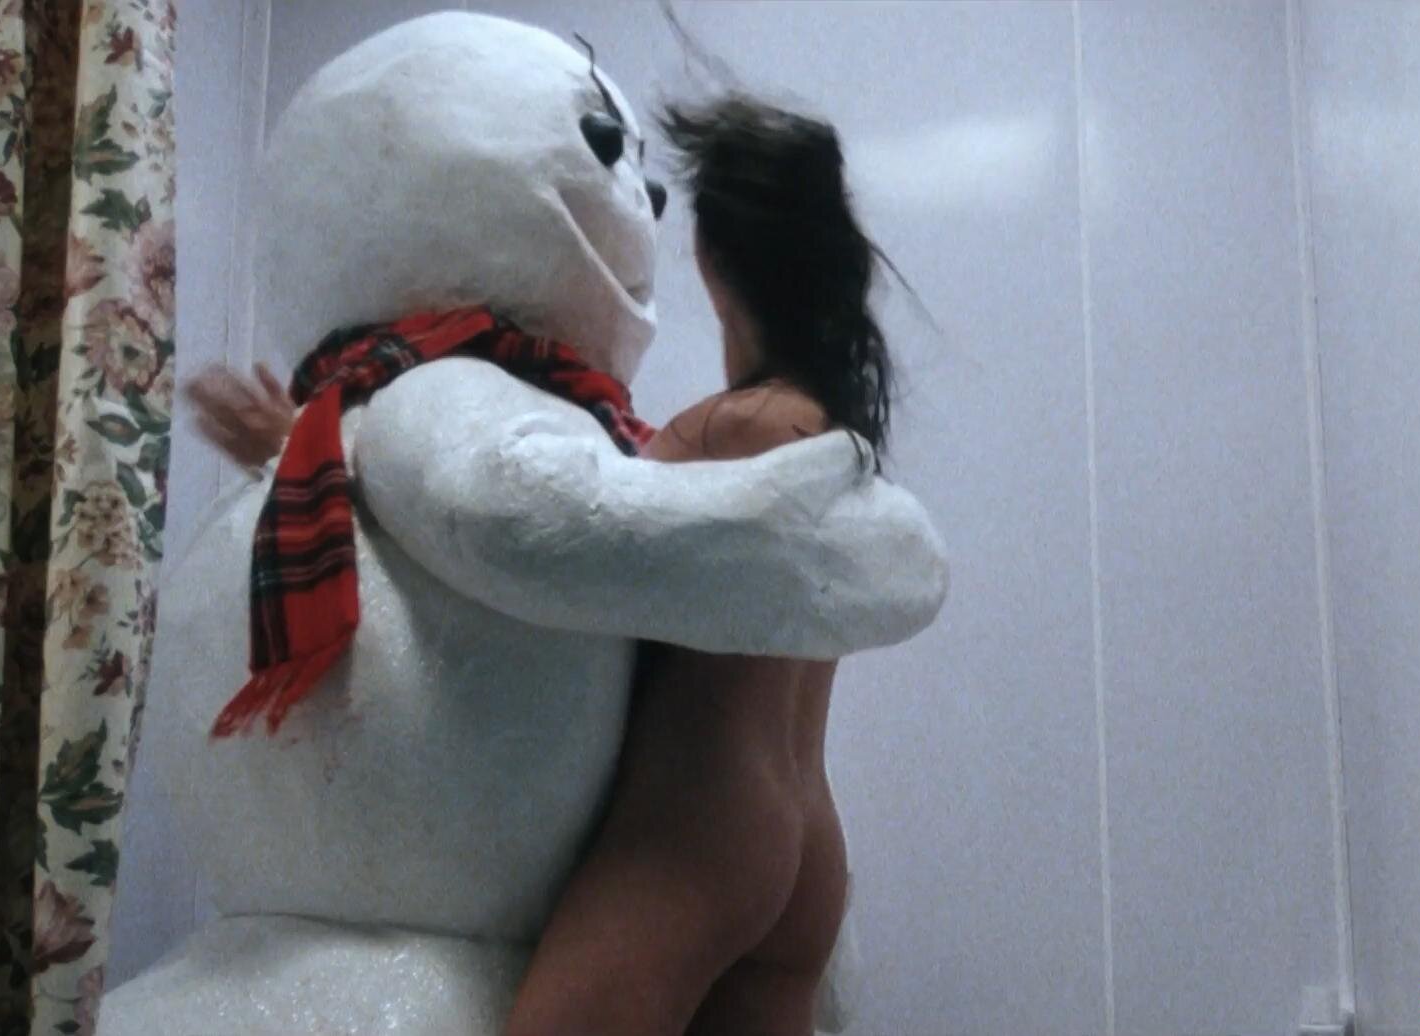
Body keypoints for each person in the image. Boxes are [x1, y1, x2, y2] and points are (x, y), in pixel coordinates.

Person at [189, 94, 900, 1035]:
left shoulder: (736, 429)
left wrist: (312, 449)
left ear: (712, 258)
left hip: (700, 819)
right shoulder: (826, 436)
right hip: (802, 834)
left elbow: (554, 542)